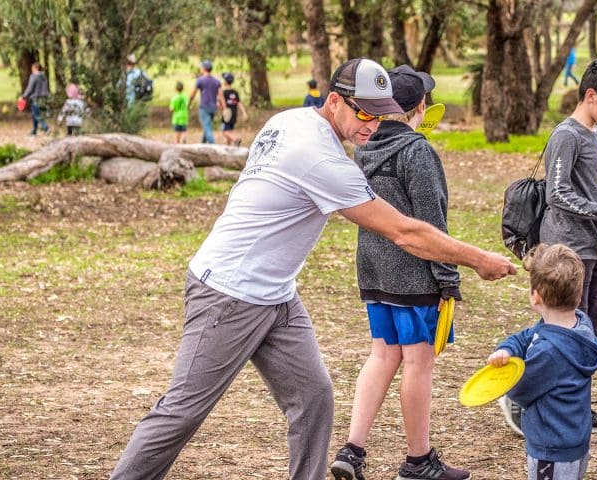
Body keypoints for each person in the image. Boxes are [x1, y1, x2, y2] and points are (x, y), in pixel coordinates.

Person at [108, 58, 516, 480]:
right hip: (229, 292)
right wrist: (479, 260)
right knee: (183, 410)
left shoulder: (290, 120)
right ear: (335, 101)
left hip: (277, 293)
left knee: (313, 397)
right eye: (364, 114)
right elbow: (405, 233)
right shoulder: (323, 160)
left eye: (381, 115)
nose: (372, 126)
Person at [330, 64, 467, 480]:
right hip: (414, 277)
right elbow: (432, 223)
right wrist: (449, 279)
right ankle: (418, 460)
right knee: (417, 363)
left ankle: (352, 450)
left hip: (373, 273)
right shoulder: (417, 151)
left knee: (382, 355)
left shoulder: (363, 148)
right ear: (420, 106)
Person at [500, 59, 597, 437]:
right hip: (568, 249)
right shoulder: (566, 135)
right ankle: (524, 399)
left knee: (591, 329)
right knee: (563, 329)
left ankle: (576, 405)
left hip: (595, 247)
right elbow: (557, 195)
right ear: (590, 96)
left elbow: (592, 182)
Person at [487, 243, 597, 480]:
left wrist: (504, 376)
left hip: (552, 448)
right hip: (574, 440)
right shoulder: (579, 325)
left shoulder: (548, 352)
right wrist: (507, 349)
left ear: (536, 296)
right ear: (578, 294)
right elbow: (526, 336)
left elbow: (519, 391)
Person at [189, 59, 222, 144]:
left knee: (207, 129)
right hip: (213, 108)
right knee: (207, 127)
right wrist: (223, 107)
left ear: (204, 68)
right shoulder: (216, 81)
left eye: (201, 67)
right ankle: (202, 145)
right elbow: (221, 96)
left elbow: (193, 94)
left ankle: (214, 147)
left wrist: (189, 103)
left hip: (204, 108)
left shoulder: (200, 80)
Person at [20, 62, 50, 136]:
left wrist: (24, 96)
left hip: (36, 98)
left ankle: (46, 128)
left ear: (36, 68)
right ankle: (34, 131)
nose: (31, 69)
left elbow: (30, 88)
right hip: (44, 98)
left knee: (36, 114)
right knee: (35, 114)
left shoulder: (33, 76)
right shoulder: (44, 76)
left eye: (32, 68)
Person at [220, 73, 249, 146]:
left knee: (225, 132)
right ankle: (228, 148)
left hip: (227, 114)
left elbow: (221, 103)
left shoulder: (223, 92)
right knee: (230, 131)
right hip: (234, 114)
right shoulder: (235, 92)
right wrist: (244, 113)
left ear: (225, 82)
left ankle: (236, 140)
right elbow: (239, 103)